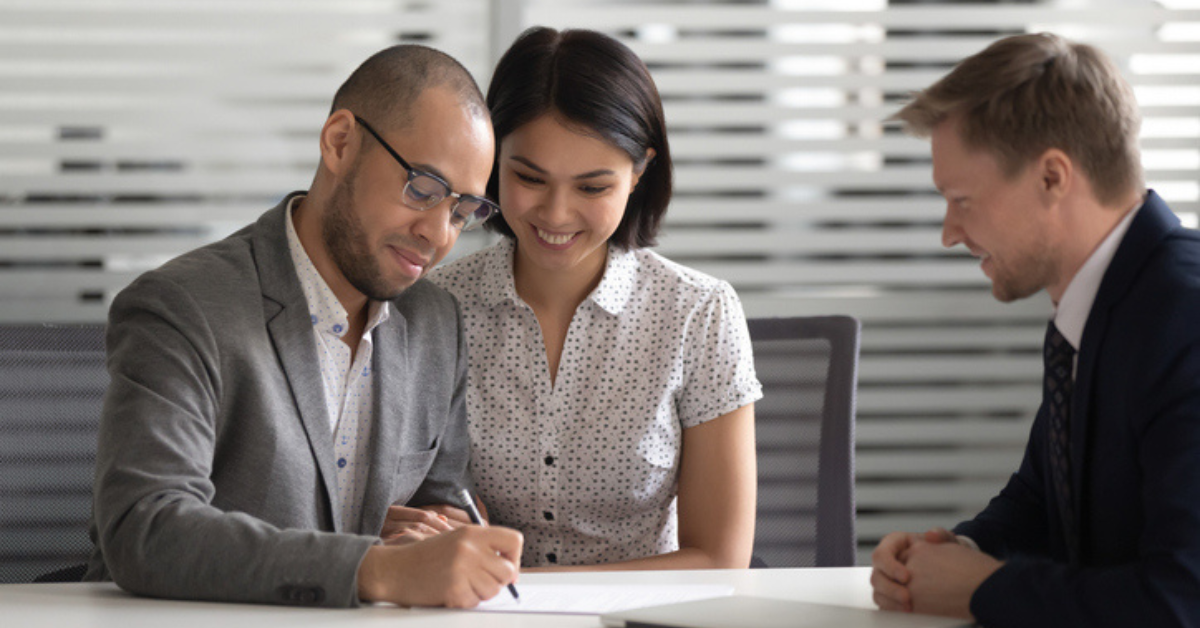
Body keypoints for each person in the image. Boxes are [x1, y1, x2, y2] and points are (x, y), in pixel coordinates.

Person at [84, 44, 523, 608]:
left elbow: (446, 497)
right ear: (340, 143)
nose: (438, 234)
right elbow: (146, 527)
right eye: (423, 189)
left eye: (462, 212)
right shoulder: (183, 306)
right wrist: (376, 568)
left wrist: (437, 531)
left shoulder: (435, 323)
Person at [870, 32, 1200, 627]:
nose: (948, 232)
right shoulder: (1100, 305)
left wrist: (984, 591)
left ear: (1052, 177)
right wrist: (948, 558)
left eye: (962, 199)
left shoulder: (1184, 320)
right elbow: (1044, 502)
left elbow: (1182, 601)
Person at [426, 27, 762, 571]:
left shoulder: (699, 314)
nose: (556, 214)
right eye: (530, 178)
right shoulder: (433, 306)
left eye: (591, 187)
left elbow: (720, 560)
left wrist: (547, 594)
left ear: (638, 173)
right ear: (491, 161)